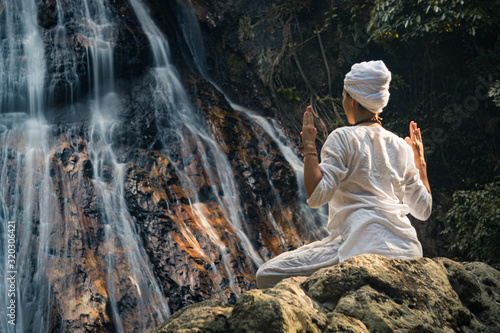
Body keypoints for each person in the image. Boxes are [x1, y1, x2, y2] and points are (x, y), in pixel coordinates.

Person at [256, 60, 432, 289]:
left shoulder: (342, 137)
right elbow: (423, 210)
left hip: (361, 250)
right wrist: (421, 162)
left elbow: (317, 196)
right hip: (408, 251)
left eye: (343, 96)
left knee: (266, 274)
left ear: (352, 99)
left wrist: (309, 146)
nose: (342, 102)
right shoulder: (401, 146)